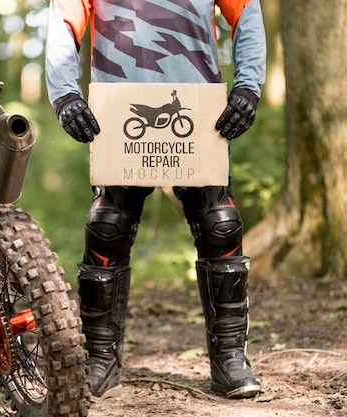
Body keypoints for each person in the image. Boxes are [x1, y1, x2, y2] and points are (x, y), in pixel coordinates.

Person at [45, 0, 266, 400]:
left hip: (200, 109)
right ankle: (100, 360)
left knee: (220, 225)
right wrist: (64, 96)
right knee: (107, 228)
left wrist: (248, 86)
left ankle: (230, 360)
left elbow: (248, 13)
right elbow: (62, 24)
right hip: (116, 108)